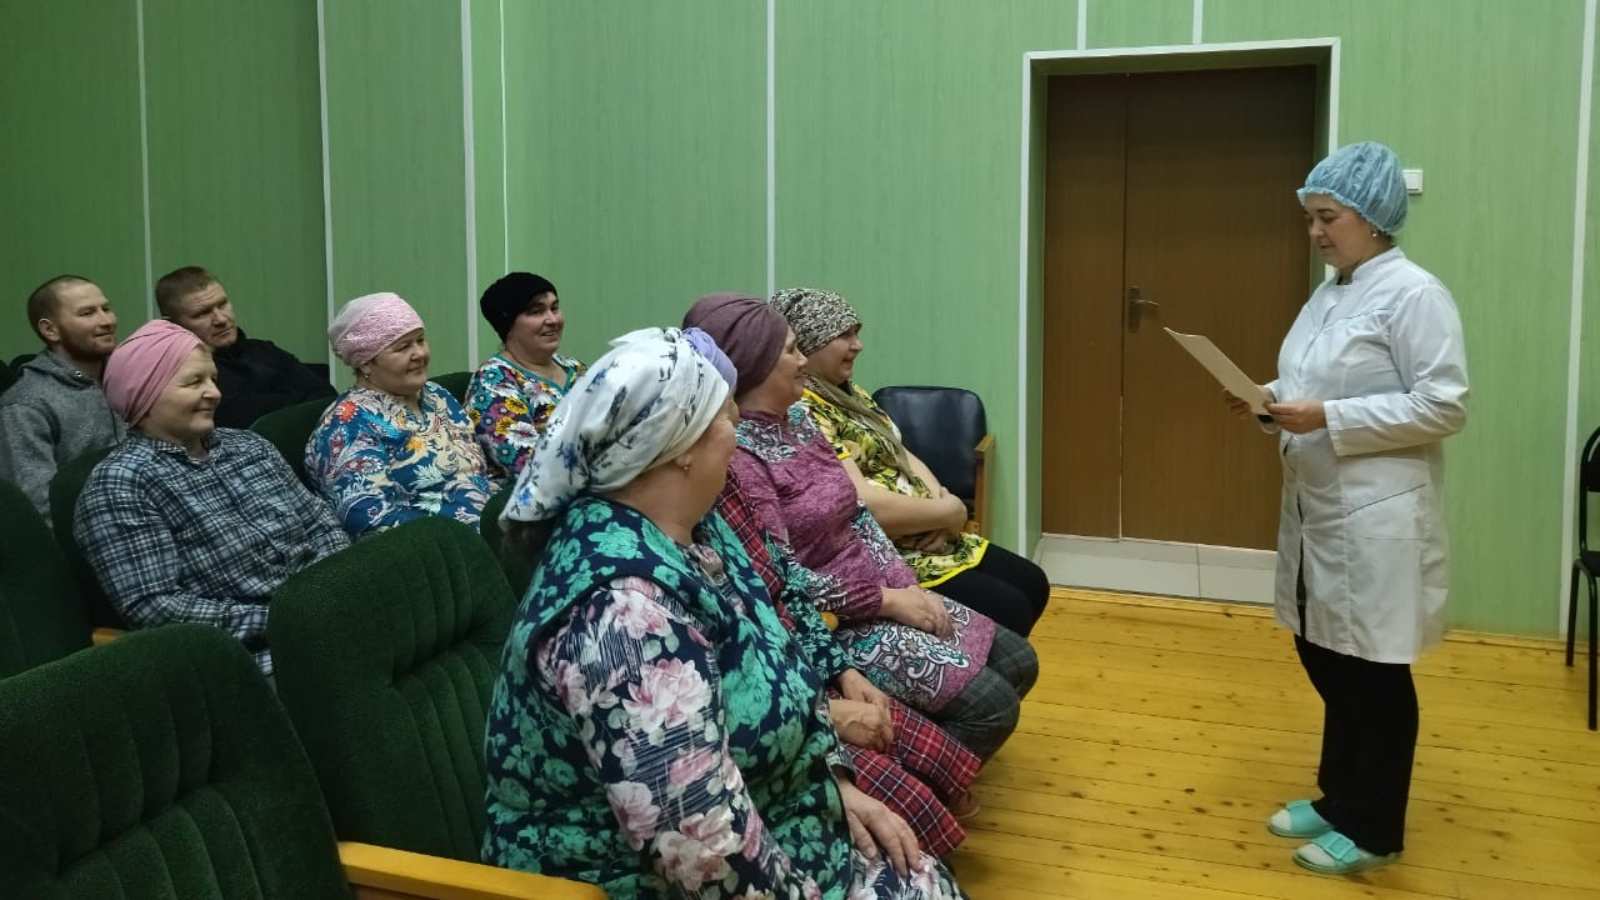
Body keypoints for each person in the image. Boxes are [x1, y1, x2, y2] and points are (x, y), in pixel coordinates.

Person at [482, 326, 965, 898]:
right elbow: (706, 855)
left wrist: (832, 782)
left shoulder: (698, 531)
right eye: (726, 419)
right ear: (681, 447)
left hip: (780, 820)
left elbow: (783, 665)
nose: (737, 436)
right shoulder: (624, 615)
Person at [1225, 141, 1469, 876]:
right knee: (1324, 649)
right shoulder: (1332, 291)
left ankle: (1374, 827)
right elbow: (1312, 378)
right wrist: (1267, 399)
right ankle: (1340, 798)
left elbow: (1444, 405)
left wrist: (1329, 417)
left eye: (1327, 218)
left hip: (1376, 511)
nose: (1315, 232)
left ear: (1374, 217)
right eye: (1310, 218)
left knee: (1373, 671)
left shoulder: (1416, 294)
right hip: (1319, 507)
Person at [685, 293, 1037, 762]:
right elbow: (781, 579)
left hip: (882, 590)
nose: (804, 360)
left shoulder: (800, 419)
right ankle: (902, 771)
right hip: (836, 619)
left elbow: (858, 513)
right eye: (792, 350)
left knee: (1018, 661)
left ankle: (922, 751)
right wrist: (888, 602)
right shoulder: (740, 455)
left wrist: (908, 588)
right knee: (992, 706)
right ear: (757, 364)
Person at [692, 330, 979, 857]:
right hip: (786, 708)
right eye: (721, 412)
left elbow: (784, 588)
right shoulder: (636, 579)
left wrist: (841, 670)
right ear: (680, 446)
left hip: (811, 661)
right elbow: (718, 702)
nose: (734, 423)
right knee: (948, 760)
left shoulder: (722, 505)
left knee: (946, 760)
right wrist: (823, 714)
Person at [769, 287, 1052, 636]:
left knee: (1032, 582)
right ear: (809, 343)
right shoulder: (804, 410)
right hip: (891, 549)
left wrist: (942, 508)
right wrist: (948, 513)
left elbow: (899, 451)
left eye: (857, 333)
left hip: (928, 528)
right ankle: (978, 666)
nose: (858, 345)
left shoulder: (849, 393)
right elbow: (860, 503)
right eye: (844, 335)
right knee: (1010, 607)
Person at [74, 320, 349, 675]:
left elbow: (320, 522)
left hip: (331, 616)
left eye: (212, 379)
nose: (214, 393)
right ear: (144, 394)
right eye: (193, 382)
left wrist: (336, 589)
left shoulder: (249, 445)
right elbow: (157, 609)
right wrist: (291, 618)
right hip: (250, 658)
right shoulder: (119, 486)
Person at [307, 292, 494, 537]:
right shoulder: (346, 424)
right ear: (365, 362)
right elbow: (371, 521)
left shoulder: (436, 395)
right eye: (403, 347)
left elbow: (478, 474)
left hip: (495, 527)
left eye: (420, 340)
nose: (420, 354)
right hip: (440, 548)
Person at [0, 275, 125, 520]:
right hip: (87, 534)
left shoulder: (128, 378)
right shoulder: (24, 406)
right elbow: (39, 509)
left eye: (106, 308)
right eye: (87, 313)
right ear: (50, 330)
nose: (107, 321)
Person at [156, 265, 334, 428]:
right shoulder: (185, 376)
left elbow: (326, 397)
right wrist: (291, 397)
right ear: (173, 324)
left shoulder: (264, 350)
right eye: (202, 313)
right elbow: (239, 420)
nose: (221, 319)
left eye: (222, 304)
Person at [464, 272, 585, 479]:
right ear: (508, 326)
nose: (553, 319)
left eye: (555, 308)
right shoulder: (493, 380)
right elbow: (529, 466)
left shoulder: (575, 368)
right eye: (537, 311)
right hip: (542, 492)